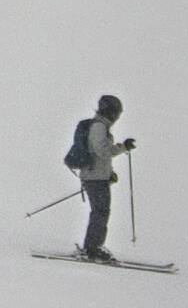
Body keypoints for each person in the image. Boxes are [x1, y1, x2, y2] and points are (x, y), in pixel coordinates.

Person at [79, 94, 135, 262]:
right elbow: (102, 151)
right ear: (110, 111)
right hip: (94, 178)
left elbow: (102, 154)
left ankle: (93, 247)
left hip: (96, 176)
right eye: (117, 113)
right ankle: (93, 248)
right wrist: (121, 148)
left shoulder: (101, 126)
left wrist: (108, 173)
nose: (117, 117)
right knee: (100, 212)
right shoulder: (98, 127)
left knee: (100, 212)